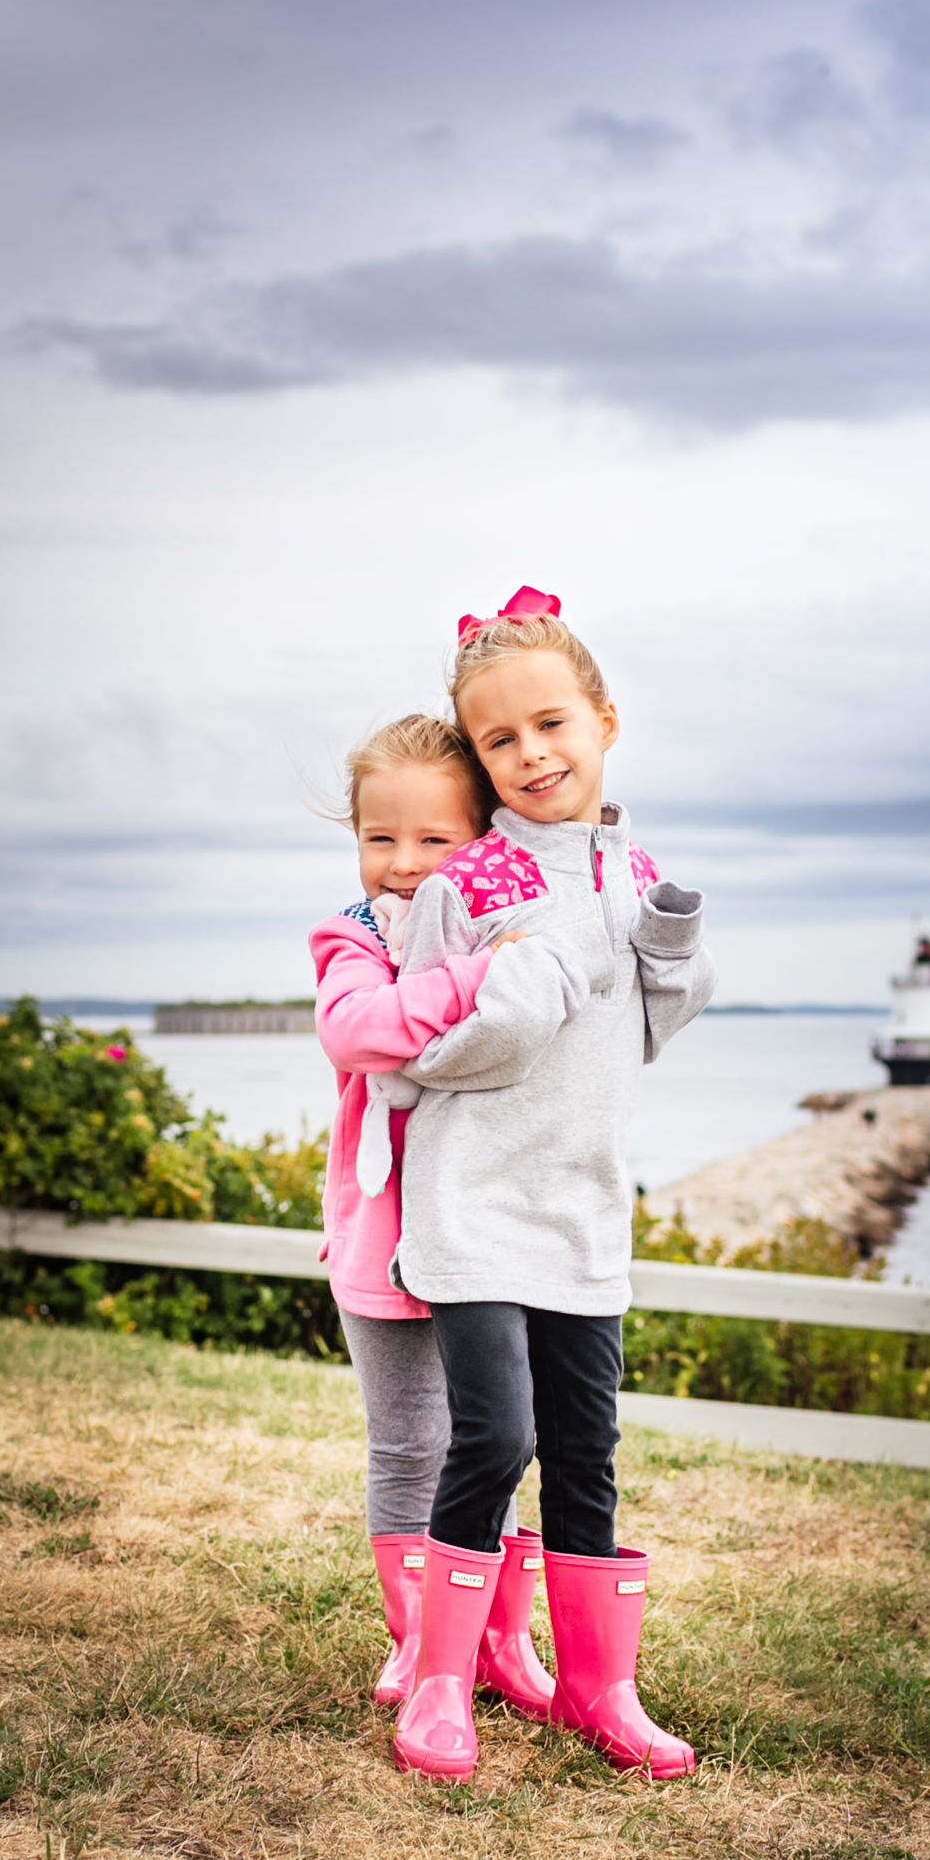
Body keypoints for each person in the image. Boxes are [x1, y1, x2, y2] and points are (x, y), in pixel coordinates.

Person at [389, 588, 716, 1784]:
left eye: (551, 724)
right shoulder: (460, 885)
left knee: (588, 1446)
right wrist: (517, 1008)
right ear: (477, 758)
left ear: (603, 721)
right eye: (499, 740)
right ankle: (440, 1675)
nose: (531, 754)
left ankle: (599, 1686)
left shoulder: (639, 869)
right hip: (474, 1201)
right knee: (498, 1434)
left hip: (584, 1204)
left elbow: (647, 1027)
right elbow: (415, 1056)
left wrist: (674, 952)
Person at [308, 713, 554, 1726]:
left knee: (500, 1436)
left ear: (483, 838)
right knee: (409, 1442)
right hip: (383, 1235)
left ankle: (501, 1635)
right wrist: (480, 979)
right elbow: (356, 1027)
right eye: (379, 837)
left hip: (489, 1232)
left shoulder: (520, 927)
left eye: (433, 840)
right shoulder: (352, 935)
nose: (403, 866)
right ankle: (419, 1637)